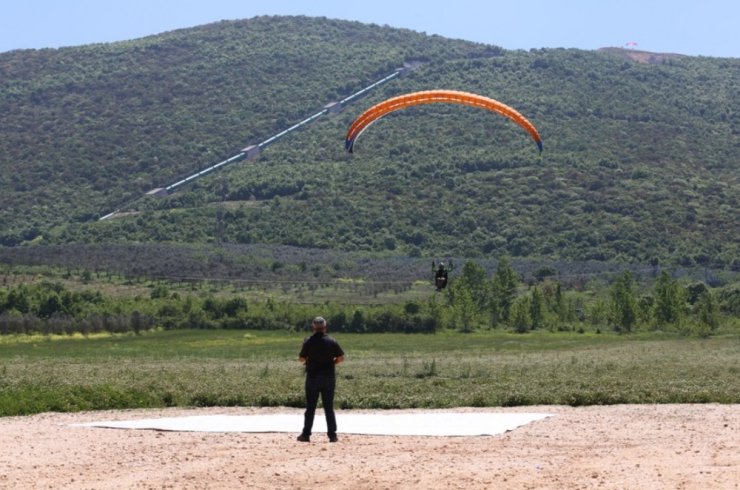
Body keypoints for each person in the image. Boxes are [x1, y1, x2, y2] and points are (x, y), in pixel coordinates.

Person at [297, 316, 345, 443]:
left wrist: (309, 361)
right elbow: (340, 358)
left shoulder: (308, 341)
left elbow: (301, 359)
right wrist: (331, 363)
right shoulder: (332, 341)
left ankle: (306, 435)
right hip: (329, 378)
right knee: (329, 407)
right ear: (325, 327)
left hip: (312, 378)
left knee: (310, 407)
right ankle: (332, 435)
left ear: (314, 327)